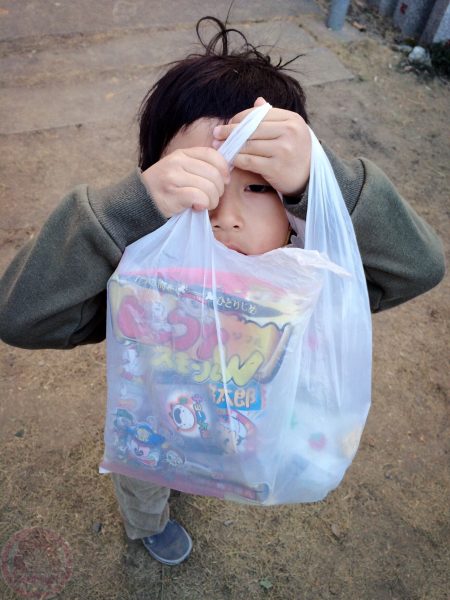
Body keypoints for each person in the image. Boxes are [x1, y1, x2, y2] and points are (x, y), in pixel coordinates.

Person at [0, 17, 445, 566]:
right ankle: (147, 525)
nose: (224, 217)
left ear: (294, 206)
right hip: (151, 435)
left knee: (212, 464)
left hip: (238, 440)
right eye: (193, 179)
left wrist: (322, 180)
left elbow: (417, 268)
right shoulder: (142, 281)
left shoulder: (303, 282)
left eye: (260, 186)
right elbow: (20, 318)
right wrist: (127, 210)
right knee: (145, 482)